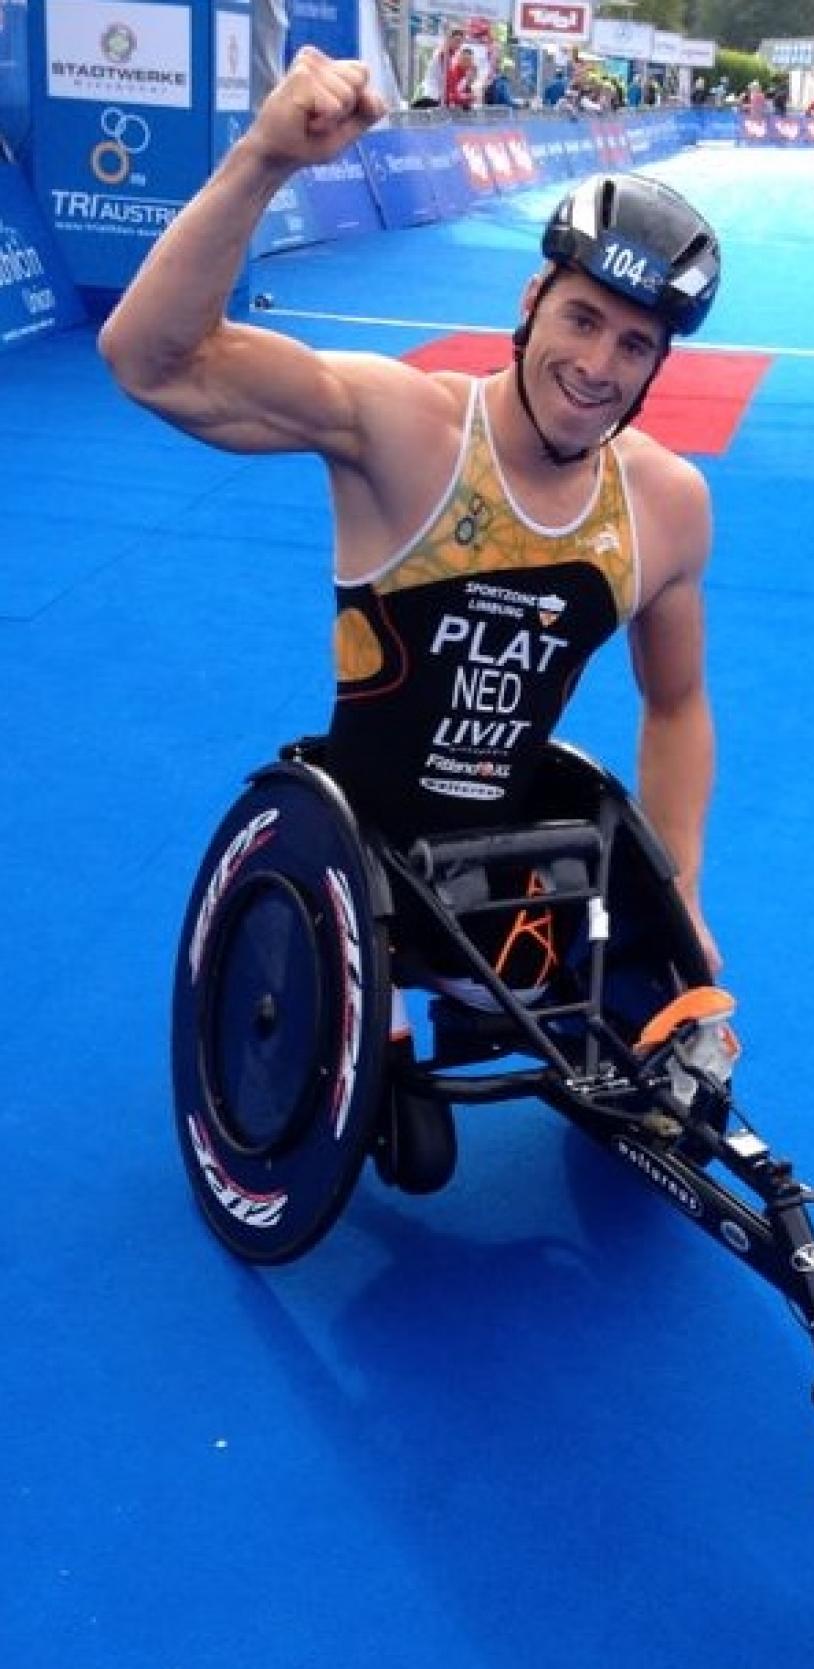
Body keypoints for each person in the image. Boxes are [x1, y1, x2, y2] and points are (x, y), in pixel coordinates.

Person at [99, 47, 725, 980]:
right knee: (385, 1114)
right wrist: (264, 161)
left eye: (635, 346)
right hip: (359, 861)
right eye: (583, 321)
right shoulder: (407, 428)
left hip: (518, 869)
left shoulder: (667, 502)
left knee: (687, 1029)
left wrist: (679, 892)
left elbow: (675, 704)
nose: (599, 366)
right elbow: (153, 361)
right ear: (532, 303)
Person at [412, 24, 463, 109]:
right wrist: (457, 98)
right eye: (457, 41)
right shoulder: (443, 53)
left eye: (460, 42)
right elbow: (448, 80)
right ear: (449, 39)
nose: (458, 45)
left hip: (433, 96)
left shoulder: (448, 55)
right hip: (429, 96)